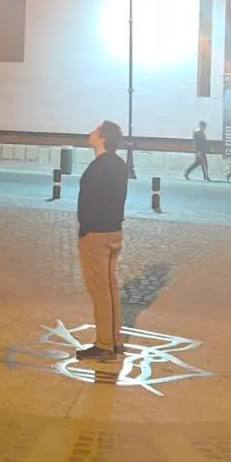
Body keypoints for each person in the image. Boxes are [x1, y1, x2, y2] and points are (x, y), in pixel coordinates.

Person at [75, 120, 129, 363]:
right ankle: (114, 339)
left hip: (95, 234)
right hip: (114, 231)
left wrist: (85, 228)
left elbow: (91, 202)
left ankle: (104, 344)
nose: (91, 131)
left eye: (95, 130)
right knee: (110, 288)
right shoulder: (120, 165)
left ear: (103, 139)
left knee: (100, 290)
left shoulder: (98, 167)